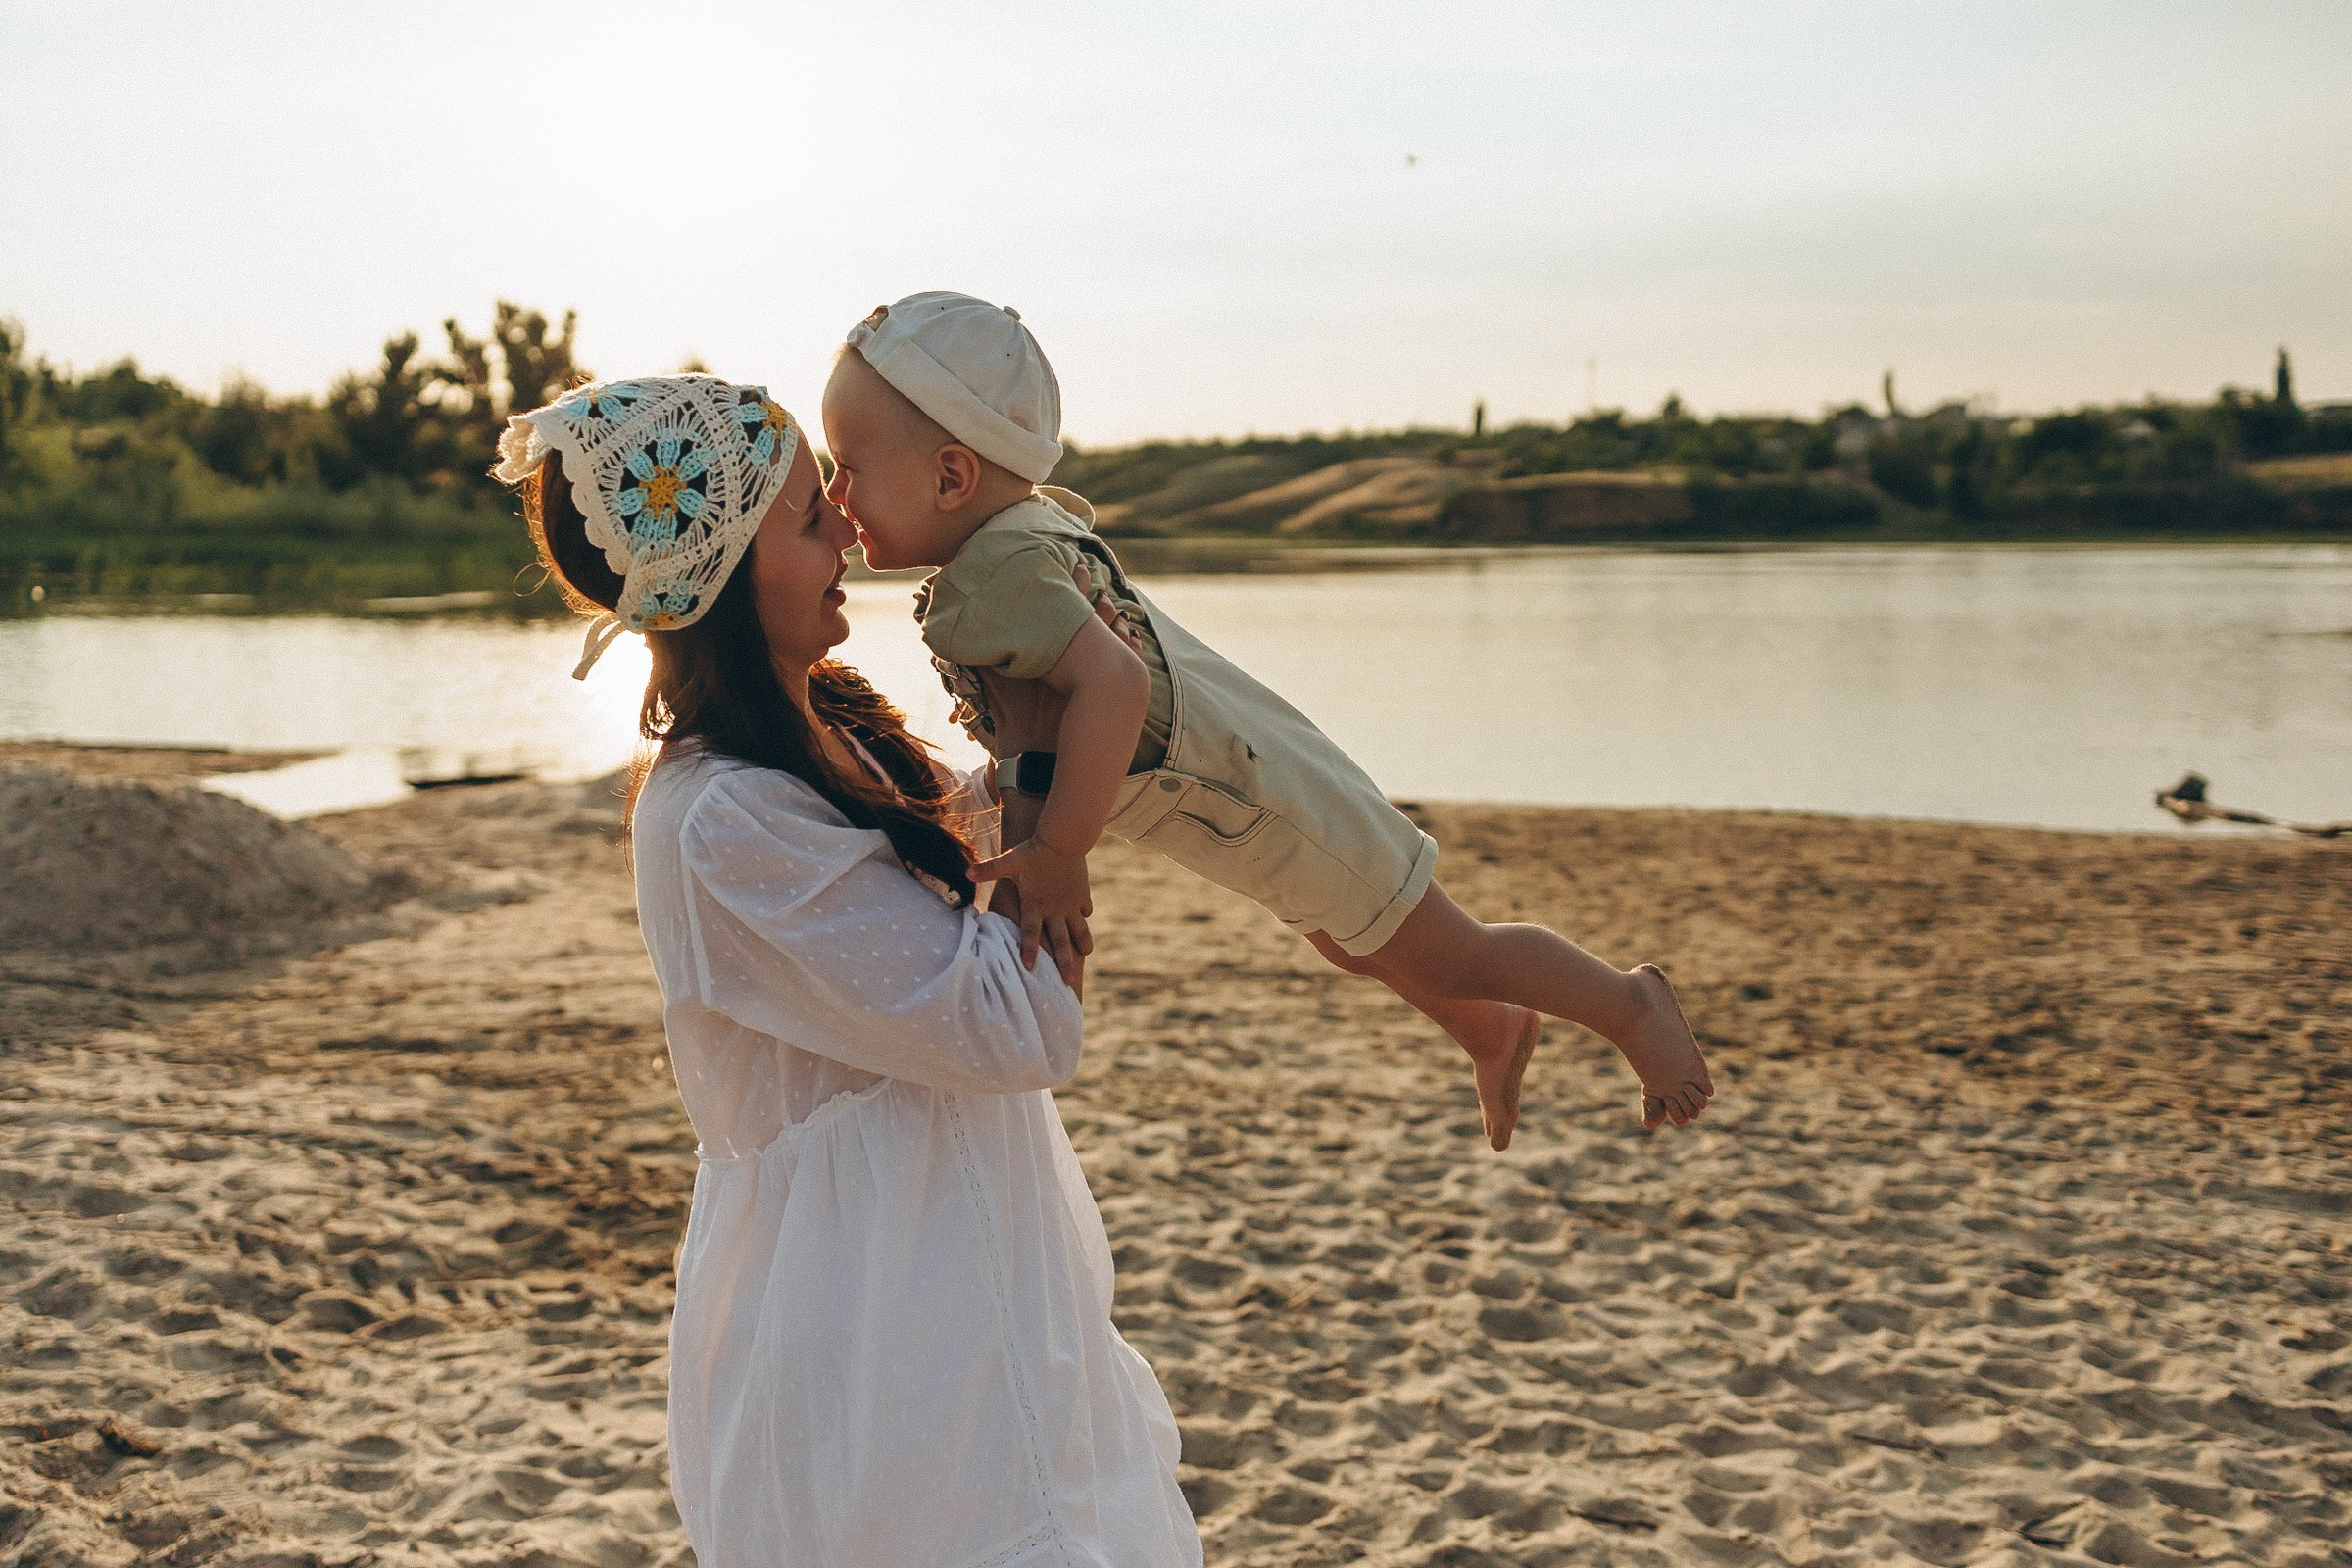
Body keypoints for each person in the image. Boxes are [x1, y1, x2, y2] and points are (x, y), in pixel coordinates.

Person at [493, 374, 1202, 1568]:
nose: (848, 534)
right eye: (808, 518)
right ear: (716, 573)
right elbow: (1014, 1025)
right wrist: (1041, 805)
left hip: (972, 1270)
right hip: (879, 1328)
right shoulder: (724, 817)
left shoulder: (834, 729)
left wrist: (1051, 739)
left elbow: (970, 849)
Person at [822, 293, 1715, 1152]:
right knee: (1356, 941)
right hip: (1248, 790)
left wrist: (1058, 850)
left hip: (1262, 794)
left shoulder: (999, 571)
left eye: (848, 467)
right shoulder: (1016, 539)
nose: (836, 496)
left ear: (951, 475)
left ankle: (1630, 1006)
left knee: (1450, 950)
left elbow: (1115, 686)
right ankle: (1492, 1031)